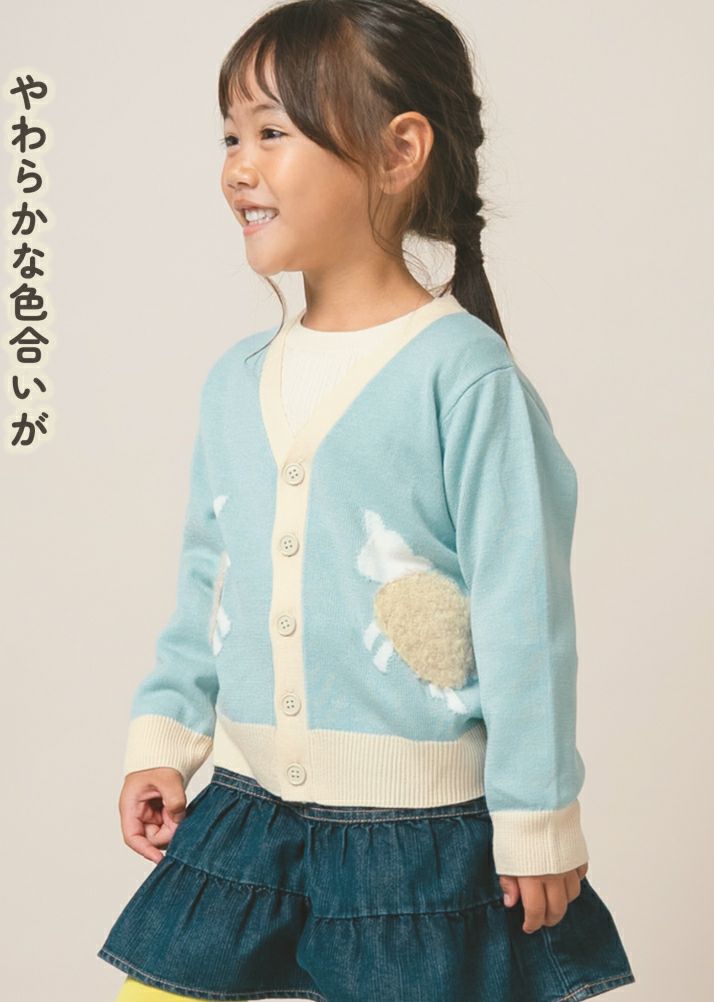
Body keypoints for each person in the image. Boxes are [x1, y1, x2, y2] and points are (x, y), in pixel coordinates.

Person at [97, 2, 636, 999]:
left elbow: (523, 616)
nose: (238, 167)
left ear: (398, 153)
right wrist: (166, 739)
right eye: (229, 136)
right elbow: (209, 583)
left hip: (417, 845)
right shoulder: (234, 383)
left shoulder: (462, 377)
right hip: (246, 815)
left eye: (272, 132)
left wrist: (536, 816)